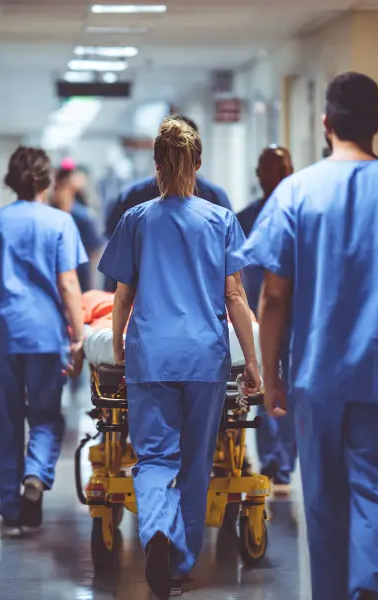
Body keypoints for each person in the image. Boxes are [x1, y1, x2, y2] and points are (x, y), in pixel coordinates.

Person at [241, 72, 378, 600]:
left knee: (322, 499)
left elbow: (274, 298)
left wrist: (270, 374)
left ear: (326, 124)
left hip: (317, 376)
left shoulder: (295, 193)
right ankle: (374, 587)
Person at [99, 117, 261, 599]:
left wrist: (119, 345)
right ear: (198, 163)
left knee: (154, 457)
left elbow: (122, 295)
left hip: (151, 355)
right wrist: (252, 362)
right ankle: (180, 561)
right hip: (204, 359)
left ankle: (156, 532)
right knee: (196, 463)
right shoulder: (220, 220)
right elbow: (235, 297)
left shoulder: (136, 219)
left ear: (157, 165)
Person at [0, 146, 87, 538]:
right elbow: (68, 283)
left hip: (0, 334)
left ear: (11, 181)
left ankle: (11, 508)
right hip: (46, 335)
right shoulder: (61, 223)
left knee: (4, 419)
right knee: (46, 415)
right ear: (46, 182)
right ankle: (36, 473)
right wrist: (80, 336)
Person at [103, 115, 233, 292]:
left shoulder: (132, 200)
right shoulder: (216, 203)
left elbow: (118, 266)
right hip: (200, 300)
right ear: (198, 159)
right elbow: (232, 277)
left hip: (146, 300)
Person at [236, 145, 297, 495]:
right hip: (256, 319)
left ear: (291, 171)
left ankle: (285, 462)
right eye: (269, 169)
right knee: (260, 383)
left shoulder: (302, 215)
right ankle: (272, 458)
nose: (275, 176)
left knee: (291, 385)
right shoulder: (244, 220)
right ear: (258, 174)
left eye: (282, 169)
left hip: (297, 317)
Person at [51, 165, 105, 291]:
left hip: (79, 283)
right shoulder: (49, 216)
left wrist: (92, 288)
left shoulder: (83, 218)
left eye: (61, 187)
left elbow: (94, 254)